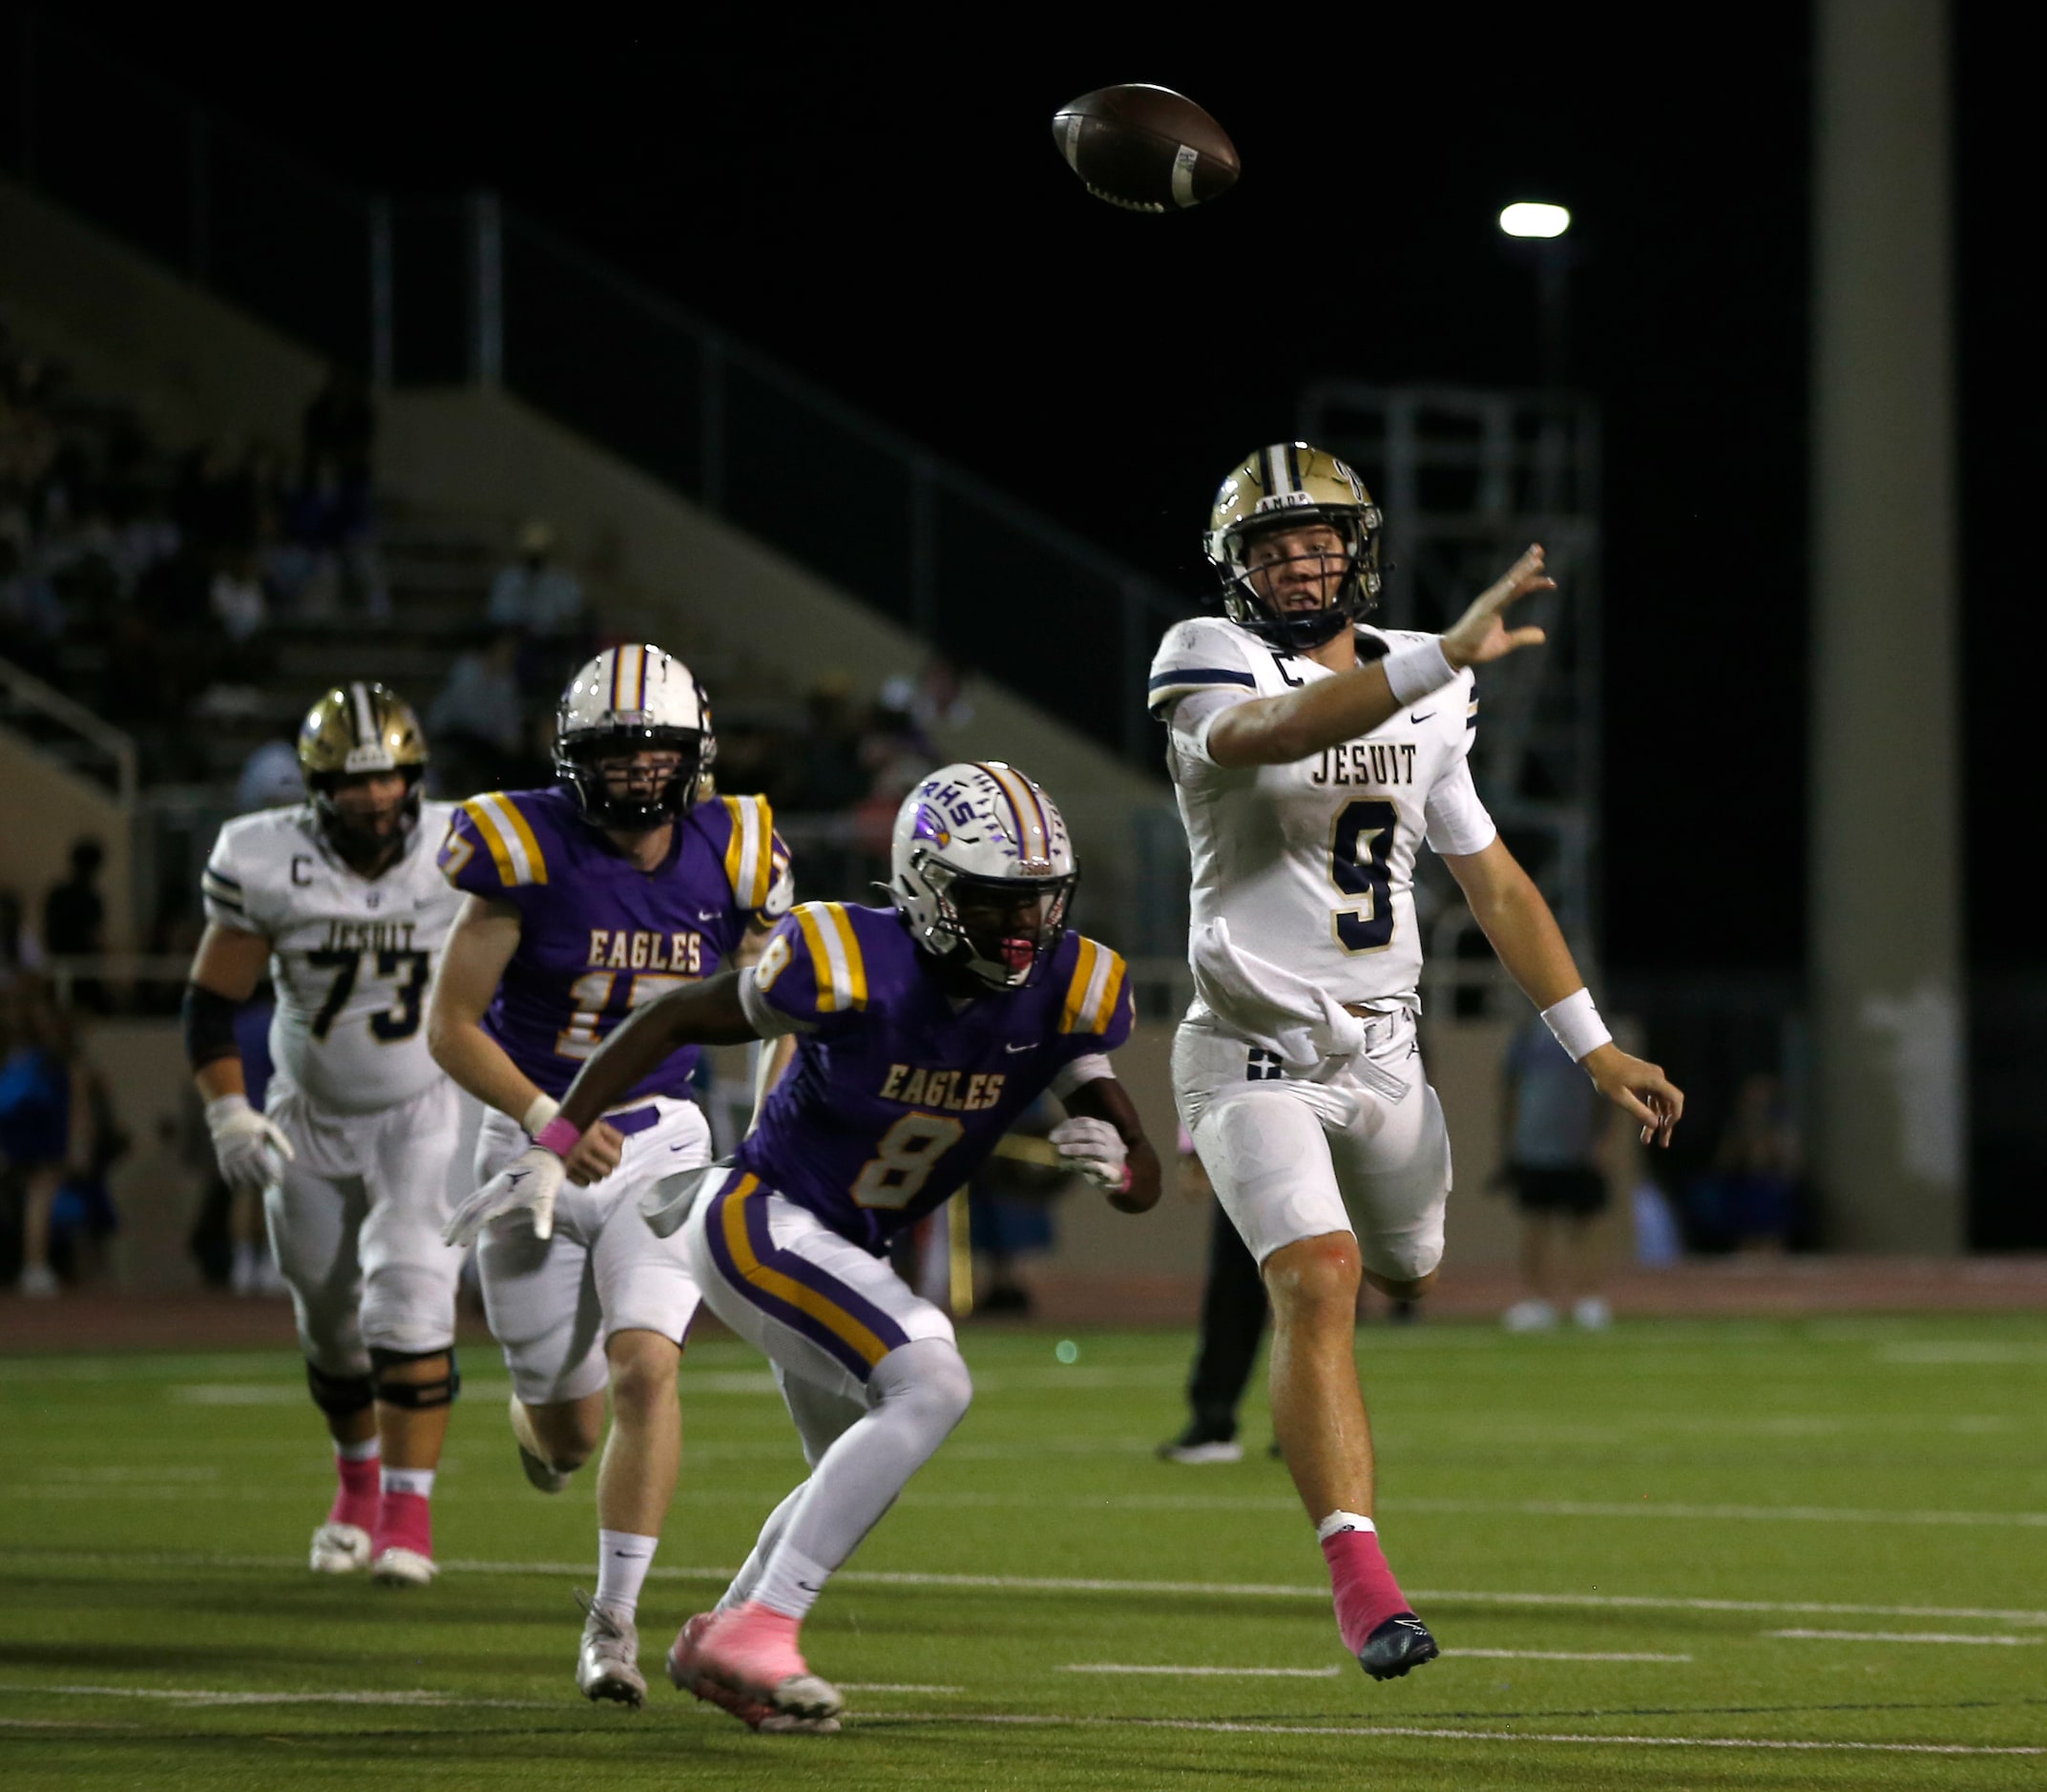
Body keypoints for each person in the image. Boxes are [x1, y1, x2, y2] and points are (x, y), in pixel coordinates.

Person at [446, 761, 1161, 1731]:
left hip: (847, 1250)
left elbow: (1143, 1170)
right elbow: (671, 1014)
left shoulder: (1071, 984)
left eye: (1039, 901)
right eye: (996, 905)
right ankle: (761, 1630)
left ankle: (724, 1641)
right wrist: (558, 1135)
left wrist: (1115, 1163)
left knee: (855, 1468)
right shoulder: (846, 954)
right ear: (929, 888)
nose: (1023, 928)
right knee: (933, 1382)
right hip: (761, 1217)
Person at [1147, 443, 1683, 1683]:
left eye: (1317, 540)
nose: (1299, 562)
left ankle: (1332, 1411)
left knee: (1407, 1271)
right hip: (1246, 1051)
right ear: (1237, 570)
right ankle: (1363, 1583)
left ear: (1357, 549)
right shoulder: (1207, 655)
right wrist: (1435, 652)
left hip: (1385, 1054)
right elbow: (1279, 725)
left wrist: (1593, 1044)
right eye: (1272, 546)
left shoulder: (1429, 683)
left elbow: (1487, 877)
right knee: (1320, 1280)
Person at [427, 643, 792, 1709]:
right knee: (568, 1430)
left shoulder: (738, 851)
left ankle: (612, 1625)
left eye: (656, 752)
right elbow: (450, 1027)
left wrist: (771, 1132)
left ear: (695, 755)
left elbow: (789, 1004)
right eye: (615, 753)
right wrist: (548, 1120)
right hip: (524, 1143)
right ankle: (539, 1419)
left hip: (661, 1143)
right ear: (572, 758)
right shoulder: (522, 846)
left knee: (647, 1367)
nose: (638, 772)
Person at [184, 683, 468, 1586]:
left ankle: (408, 1516)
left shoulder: (466, 847)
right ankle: (355, 1489)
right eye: (352, 784)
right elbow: (210, 1002)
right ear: (314, 788)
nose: (374, 800)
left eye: (388, 781)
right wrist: (229, 1108)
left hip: (428, 1106)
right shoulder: (263, 857)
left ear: (415, 779)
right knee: (328, 1321)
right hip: (309, 1114)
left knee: (411, 1296)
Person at [1496, 1014, 1614, 1331]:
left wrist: (1601, 1139)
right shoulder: (1527, 1038)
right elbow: (1510, 1090)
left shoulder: (1588, 1031)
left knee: (1585, 1226)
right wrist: (1509, 1142)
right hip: (1535, 1147)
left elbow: (1606, 1086)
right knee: (1537, 1224)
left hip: (1578, 1146)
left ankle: (1589, 1298)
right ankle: (1538, 1300)